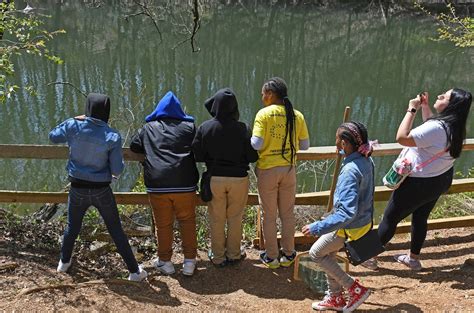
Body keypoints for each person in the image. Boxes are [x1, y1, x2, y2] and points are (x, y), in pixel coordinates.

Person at [49, 93, 147, 282]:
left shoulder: (73, 126)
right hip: (101, 189)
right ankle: (135, 272)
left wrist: (72, 119)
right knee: (115, 229)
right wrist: (113, 174)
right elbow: (117, 168)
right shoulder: (112, 135)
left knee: (72, 226)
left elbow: (53, 137)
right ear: (107, 112)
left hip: (77, 187)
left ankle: (64, 262)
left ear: (88, 109)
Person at [377, 88, 472, 271]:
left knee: (389, 219)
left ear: (451, 105)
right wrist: (425, 107)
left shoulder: (437, 128)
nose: (439, 96)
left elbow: (402, 138)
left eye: (443, 97)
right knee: (420, 217)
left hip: (419, 183)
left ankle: (365, 256)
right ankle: (413, 259)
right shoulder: (455, 126)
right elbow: (430, 128)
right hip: (439, 180)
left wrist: (411, 109)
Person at [302, 121, 376, 312]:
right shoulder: (366, 159)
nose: (335, 143)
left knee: (316, 253)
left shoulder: (350, 171)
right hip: (362, 222)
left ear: (344, 143)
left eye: (337, 139)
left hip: (347, 227)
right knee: (329, 254)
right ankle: (335, 297)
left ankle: (355, 288)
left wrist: (318, 226)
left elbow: (346, 212)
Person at [130, 91, 199, 276]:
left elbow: (134, 146)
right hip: (185, 183)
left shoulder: (148, 127)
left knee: (163, 225)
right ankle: (190, 262)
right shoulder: (189, 126)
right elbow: (199, 147)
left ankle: (165, 262)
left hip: (158, 183)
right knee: (187, 221)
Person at [192, 88, 258, 267]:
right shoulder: (243, 128)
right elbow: (253, 157)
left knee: (217, 218)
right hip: (239, 179)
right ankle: (234, 255)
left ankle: (218, 257)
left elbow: (196, 155)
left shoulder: (205, 127)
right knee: (235, 217)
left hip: (215, 179)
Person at [251, 77, 310, 269]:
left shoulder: (264, 114)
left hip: (268, 170)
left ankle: (271, 256)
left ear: (270, 94)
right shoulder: (297, 115)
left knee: (269, 215)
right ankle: (289, 253)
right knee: (287, 213)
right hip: (289, 170)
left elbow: (257, 144)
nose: (262, 98)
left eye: (263, 94)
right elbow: (305, 145)